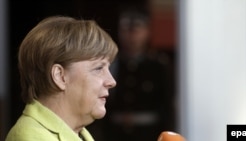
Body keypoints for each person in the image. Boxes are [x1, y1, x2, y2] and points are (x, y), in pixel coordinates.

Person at [5, 16, 118, 141]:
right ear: (59, 76)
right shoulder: (30, 137)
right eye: (98, 68)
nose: (112, 81)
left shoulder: (79, 133)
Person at [104, 6, 176, 141]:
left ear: (147, 31)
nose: (130, 36)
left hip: (149, 134)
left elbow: (167, 106)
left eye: (136, 30)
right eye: (124, 30)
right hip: (116, 134)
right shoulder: (111, 63)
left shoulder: (159, 65)